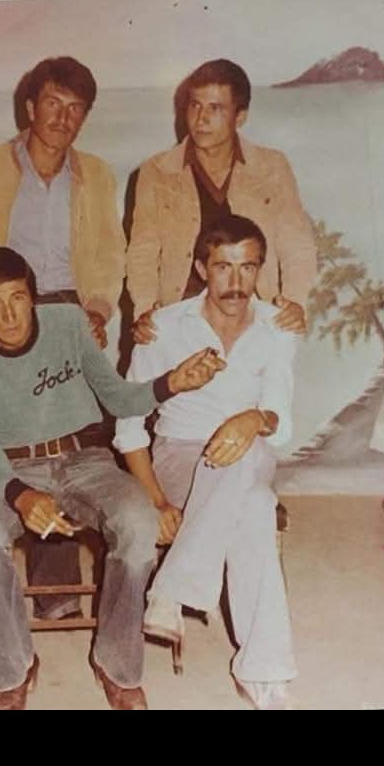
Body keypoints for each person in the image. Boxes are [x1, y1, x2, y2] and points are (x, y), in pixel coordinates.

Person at [0, 246, 224, 711]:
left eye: (18, 298)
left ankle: (115, 664)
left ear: (33, 296)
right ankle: (13, 670)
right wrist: (21, 495)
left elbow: (118, 398)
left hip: (86, 461)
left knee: (138, 521)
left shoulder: (69, 324)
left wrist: (172, 382)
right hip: (11, 471)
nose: (10, 315)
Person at [0, 55, 126, 640]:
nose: (63, 118)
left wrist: (98, 308)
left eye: (76, 109)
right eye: (53, 103)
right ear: (30, 106)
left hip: (66, 313)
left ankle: (56, 592)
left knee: (66, 447)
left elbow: (110, 251)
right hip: (7, 309)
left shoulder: (97, 175)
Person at [114, 215, 298, 710]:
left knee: (247, 450)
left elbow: (281, 423)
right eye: (223, 267)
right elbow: (129, 427)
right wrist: (155, 500)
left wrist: (252, 419)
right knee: (256, 507)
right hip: (179, 456)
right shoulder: (163, 328)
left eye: (248, 268)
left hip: (251, 449)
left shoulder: (278, 329)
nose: (236, 283)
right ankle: (263, 672)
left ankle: (173, 589)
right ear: (201, 268)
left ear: (260, 269)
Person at [127, 58, 317, 343]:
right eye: (195, 105)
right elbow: (142, 251)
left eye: (215, 108)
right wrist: (145, 310)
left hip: (255, 318)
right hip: (180, 320)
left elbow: (297, 245)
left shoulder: (272, 167)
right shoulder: (157, 172)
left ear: (240, 117)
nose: (201, 119)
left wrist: (295, 302)